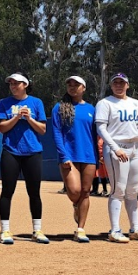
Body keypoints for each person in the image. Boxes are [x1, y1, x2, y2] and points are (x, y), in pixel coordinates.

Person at [94, 73, 138, 243]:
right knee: (118, 190)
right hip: (117, 148)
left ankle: (135, 229)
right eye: (116, 83)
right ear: (111, 85)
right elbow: (101, 129)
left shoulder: (136, 104)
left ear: (128, 85)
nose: (119, 85)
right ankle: (115, 230)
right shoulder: (105, 103)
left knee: (133, 191)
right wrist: (115, 148)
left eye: (122, 83)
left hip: (136, 149)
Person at [0, 73, 48, 244]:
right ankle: (4, 231)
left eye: (16, 83)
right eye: (10, 83)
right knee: (7, 191)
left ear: (25, 84)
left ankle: (37, 230)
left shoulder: (36, 102)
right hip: (11, 151)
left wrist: (29, 118)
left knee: (34, 192)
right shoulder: (4, 103)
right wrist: (17, 117)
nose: (12, 86)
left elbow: (42, 129)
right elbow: (2, 128)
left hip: (32, 152)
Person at [51, 75, 98, 243]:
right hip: (69, 155)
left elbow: (95, 134)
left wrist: (98, 157)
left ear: (83, 88)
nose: (72, 87)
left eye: (76, 84)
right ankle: (75, 206)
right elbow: (56, 132)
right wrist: (63, 155)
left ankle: (80, 229)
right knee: (74, 192)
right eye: (69, 84)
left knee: (86, 192)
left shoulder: (92, 109)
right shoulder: (60, 107)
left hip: (89, 155)